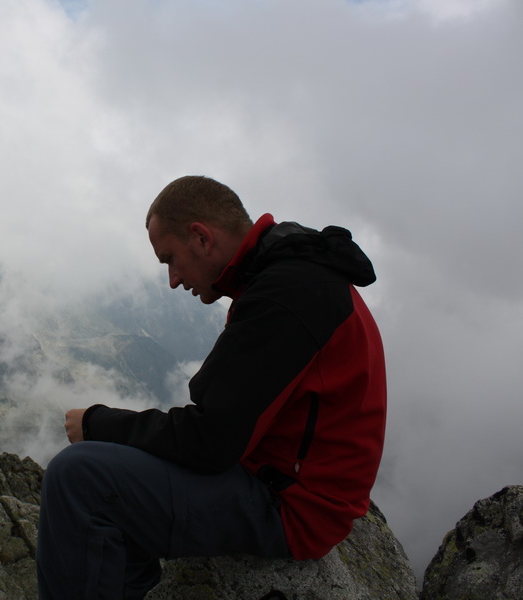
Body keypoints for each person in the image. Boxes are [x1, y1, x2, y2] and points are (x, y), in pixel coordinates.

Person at [36, 175, 387, 599]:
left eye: (170, 259)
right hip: (278, 480)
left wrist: (97, 423)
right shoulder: (287, 274)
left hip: (293, 508)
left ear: (201, 237)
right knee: (118, 469)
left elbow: (210, 441)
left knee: (77, 477)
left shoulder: (286, 293)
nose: (172, 279)